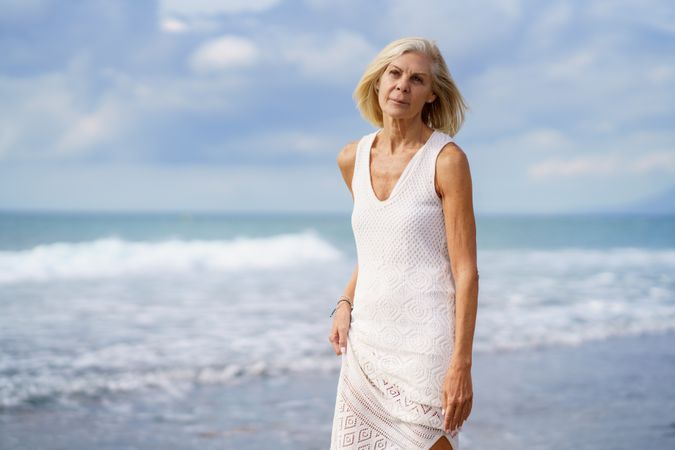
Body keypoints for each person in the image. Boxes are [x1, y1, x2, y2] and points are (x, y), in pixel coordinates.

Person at [327, 37, 479, 450]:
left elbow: (466, 271)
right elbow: (379, 246)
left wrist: (461, 364)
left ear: (432, 94)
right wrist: (345, 302)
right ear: (378, 83)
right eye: (394, 74)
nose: (402, 86)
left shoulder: (446, 160)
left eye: (417, 79)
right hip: (368, 341)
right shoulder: (350, 158)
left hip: (426, 345)